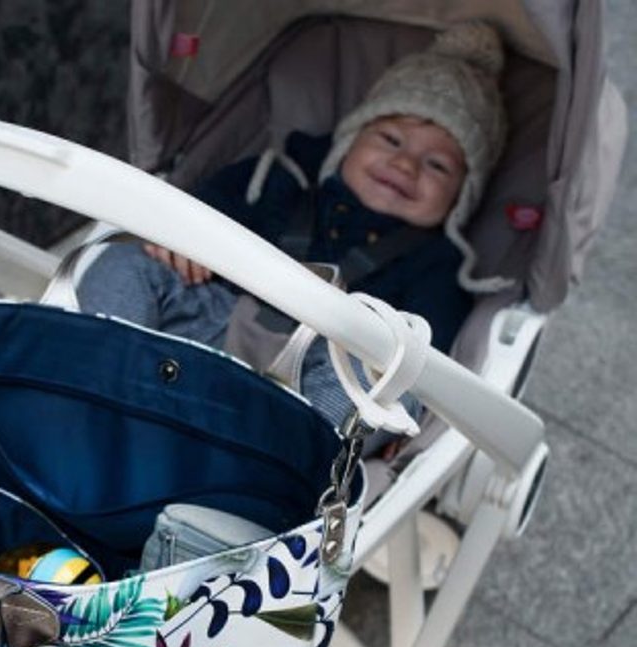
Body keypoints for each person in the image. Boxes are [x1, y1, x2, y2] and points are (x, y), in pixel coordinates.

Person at [78, 21, 513, 454]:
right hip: (210, 325)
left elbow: (424, 364)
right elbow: (196, 212)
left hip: (320, 375)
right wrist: (179, 240)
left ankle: (280, 462)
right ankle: (98, 381)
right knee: (130, 260)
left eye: (437, 165)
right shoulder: (274, 178)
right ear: (349, 141)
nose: (405, 165)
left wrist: (396, 401)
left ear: (462, 196)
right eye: (391, 139)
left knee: (382, 387)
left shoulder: (438, 263)